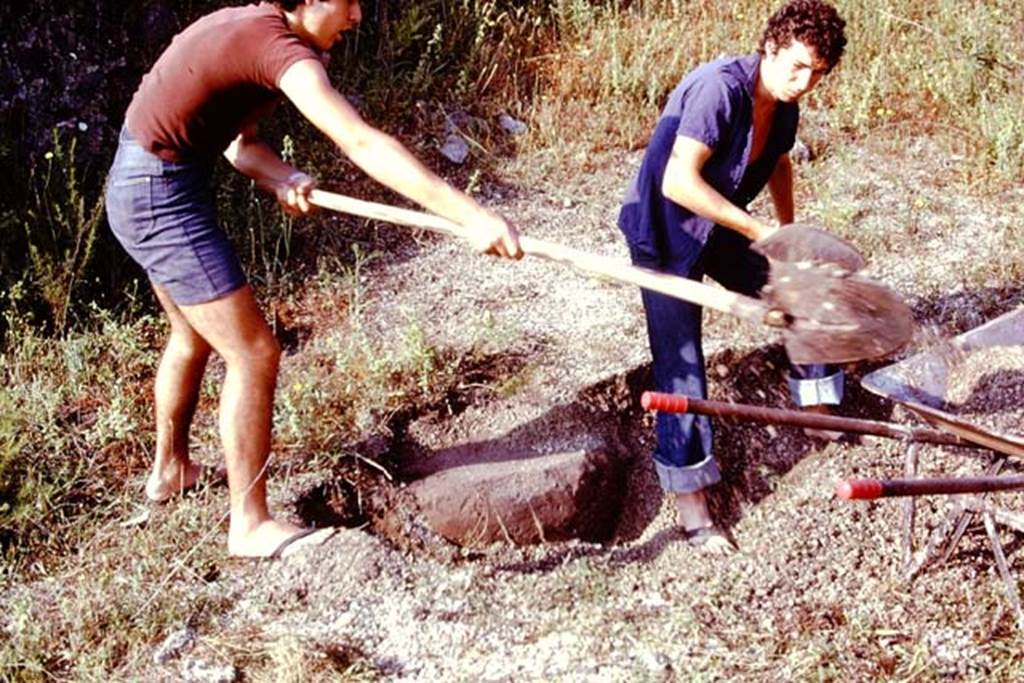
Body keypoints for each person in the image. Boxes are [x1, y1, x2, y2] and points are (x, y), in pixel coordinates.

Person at [105, 0, 522, 559]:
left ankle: (171, 469)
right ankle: (249, 525)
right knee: (254, 353)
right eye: (349, 3)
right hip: (159, 196)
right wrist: (470, 215)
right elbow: (362, 141)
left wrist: (284, 175)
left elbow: (240, 145)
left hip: (144, 181)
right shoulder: (279, 49)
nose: (356, 17)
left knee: (192, 337)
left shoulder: (256, 30)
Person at [617, 0, 847, 554]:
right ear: (769, 47)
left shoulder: (786, 105)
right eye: (794, 66)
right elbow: (678, 182)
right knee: (682, 367)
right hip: (665, 233)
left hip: (719, 228)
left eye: (816, 73)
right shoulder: (719, 90)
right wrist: (757, 228)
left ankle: (818, 417)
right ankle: (694, 506)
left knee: (805, 294)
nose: (803, 82)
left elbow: (780, 162)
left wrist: (789, 239)